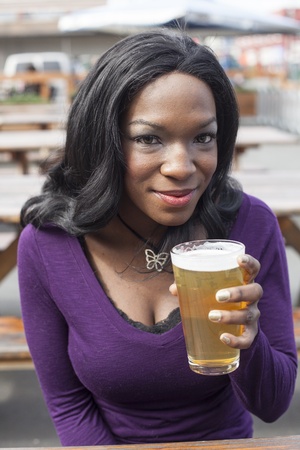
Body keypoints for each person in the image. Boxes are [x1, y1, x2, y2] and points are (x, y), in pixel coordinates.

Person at [17, 29, 297, 446]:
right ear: (103, 141)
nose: (182, 166)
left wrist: (250, 342)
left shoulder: (249, 224)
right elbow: (69, 405)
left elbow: (272, 405)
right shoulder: (49, 244)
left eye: (203, 137)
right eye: (149, 139)